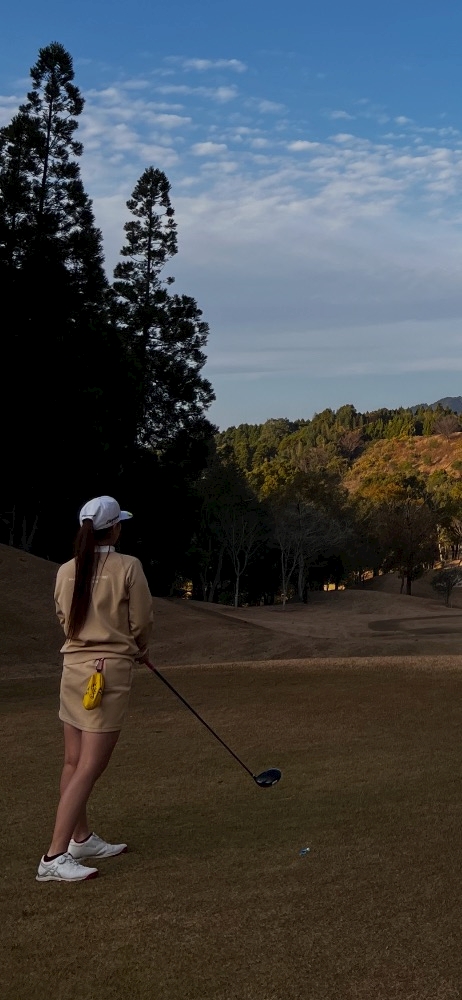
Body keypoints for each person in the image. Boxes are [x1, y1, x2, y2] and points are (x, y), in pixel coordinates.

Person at [36, 496, 153, 883]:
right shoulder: (128, 566)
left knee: (73, 761)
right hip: (107, 675)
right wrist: (140, 649)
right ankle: (55, 856)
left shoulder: (66, 569)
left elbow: (62, 616)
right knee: (89, 765)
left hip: (73, 669)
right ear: (115, 528)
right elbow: (141, 621)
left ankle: (81, 838)